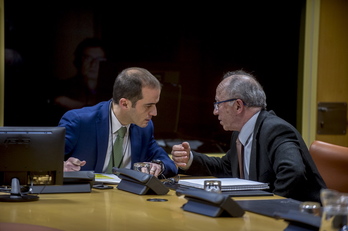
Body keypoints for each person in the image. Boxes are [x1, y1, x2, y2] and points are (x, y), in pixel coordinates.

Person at [171, 70, 326, 202]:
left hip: (299, 219)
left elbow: (293, 171)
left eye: (218, 103)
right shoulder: (241, 133)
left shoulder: (275, 129)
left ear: (238, 105)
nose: (215, 111)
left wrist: (270, 205)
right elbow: (226, 168)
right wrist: (189, 159)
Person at [59, 67, 178, 178]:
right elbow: (45, 160)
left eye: (155, 104)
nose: (154, 112)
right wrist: (60, 166)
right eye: (148, 106)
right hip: (85, 197)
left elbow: (167, 162)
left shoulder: (144, 127)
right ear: (125, 103)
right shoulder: (80, 121)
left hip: (126, 197)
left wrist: (159, 166)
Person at [53, 37, 108, 112]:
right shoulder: (62, 88)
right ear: (78, 61)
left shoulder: (114, 92)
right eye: (88, 58)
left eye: (99, 60)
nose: (93, 64)